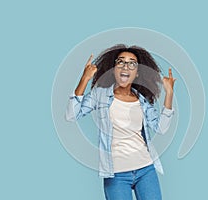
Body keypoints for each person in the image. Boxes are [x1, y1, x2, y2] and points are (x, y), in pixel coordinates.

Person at [66, 44, 176, 200]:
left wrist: (169, 94)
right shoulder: (100, 95)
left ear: (137, 73)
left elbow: (161, 128)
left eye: (132, 63)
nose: (126, 66)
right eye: (121, 62)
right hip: (116, 173)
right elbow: (71, 115)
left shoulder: (142, 100)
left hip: (146, 169)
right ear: (114, 69)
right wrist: (84, 79)